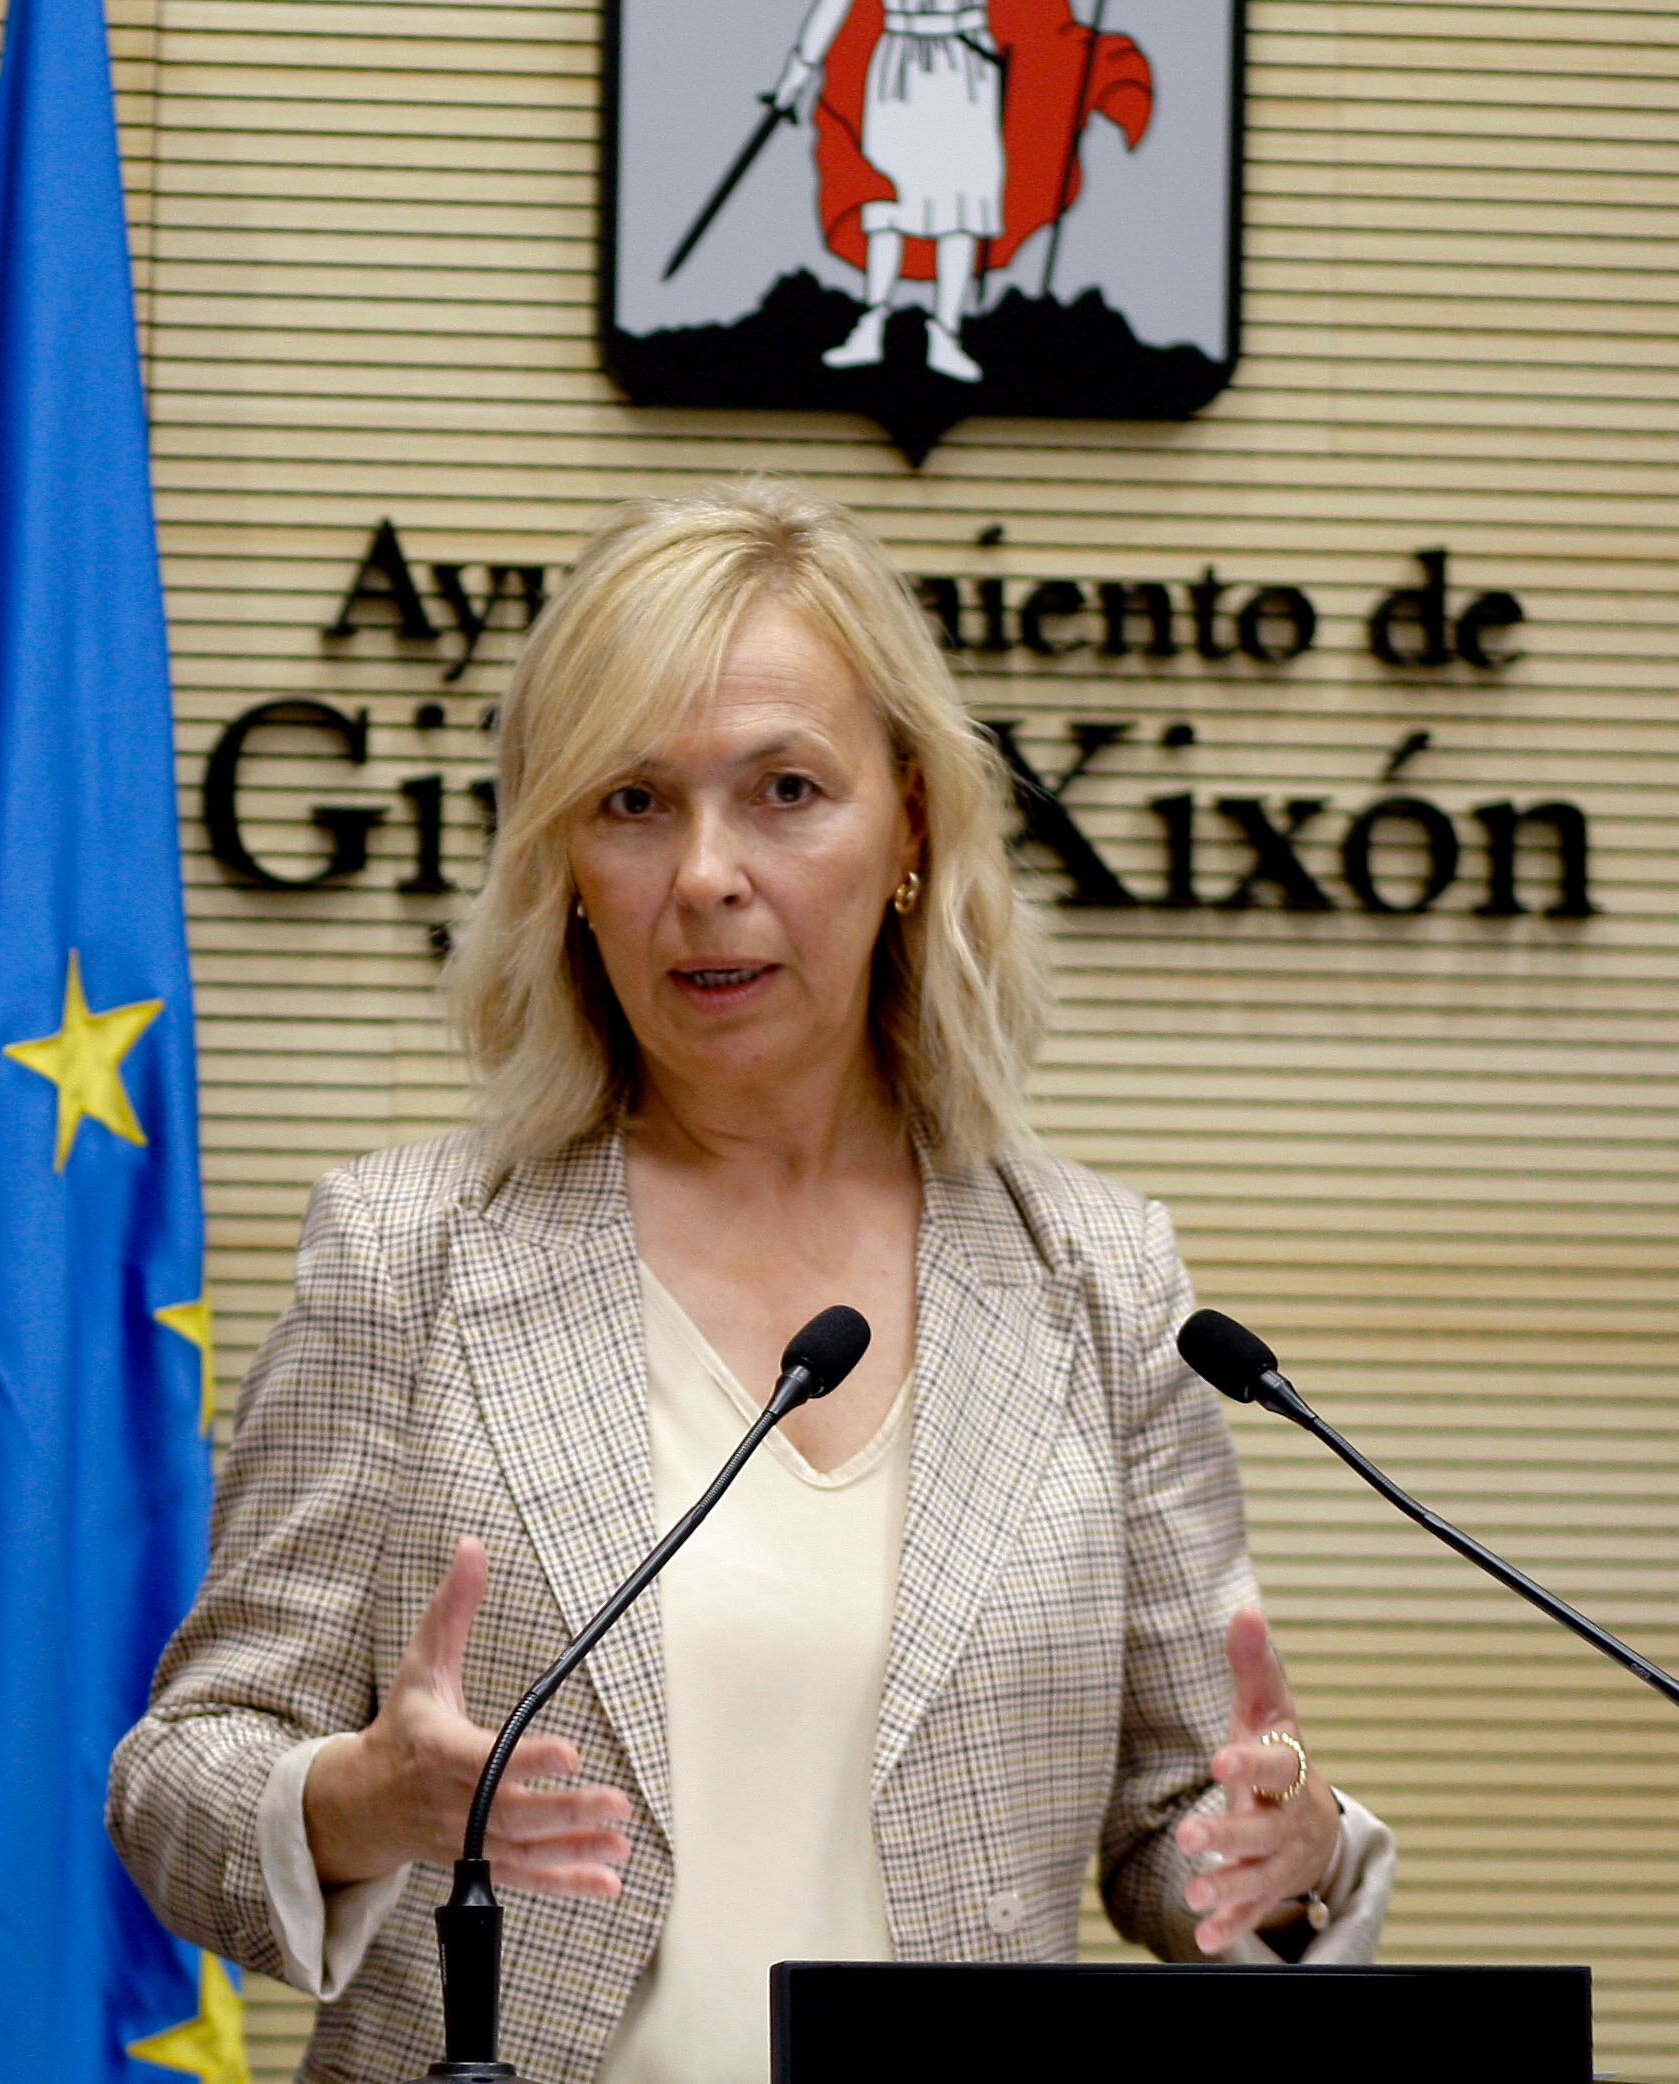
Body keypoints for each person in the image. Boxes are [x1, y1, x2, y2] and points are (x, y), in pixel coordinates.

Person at [107, 479, 1393, 2084]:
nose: (705, 874)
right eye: (631, 802)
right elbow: (181, 1773)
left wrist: (1287, 1848)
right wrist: (349, 1800)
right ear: (560, 854)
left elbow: (1174, 1820)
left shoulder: (1098, 1280)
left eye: (785, 790)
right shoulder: (407, 1252)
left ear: (910, 820)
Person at [769, 0, 1152, 384]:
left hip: (963, 65)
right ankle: (872, 324)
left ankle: (946, 335)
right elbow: (832, 4)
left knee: (960, 207)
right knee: (885, 202)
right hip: (897, 66)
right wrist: (793, 77)